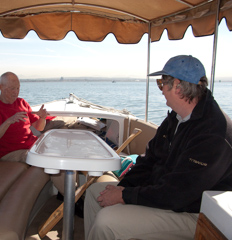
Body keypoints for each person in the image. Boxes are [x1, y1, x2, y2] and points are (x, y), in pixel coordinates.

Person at [84, 55, 232, 240]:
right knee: (94, 194)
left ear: (177, 86)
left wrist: (125, 197)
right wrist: (122, 188)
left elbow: (179, 193)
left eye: (162, 83)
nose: (161, 90)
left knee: (107, 221)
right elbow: (148, 161)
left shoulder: (213, 132)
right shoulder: (176, 118)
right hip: (164, 193)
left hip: (193, 213)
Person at [0, 71, 65, 194]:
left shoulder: (22, 102)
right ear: (1, 88)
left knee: (61, 150)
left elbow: (39, 127)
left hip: (32, 145)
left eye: (18, 88)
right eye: (12, 89)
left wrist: (42, 117)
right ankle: (72, 200)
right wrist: (8, 121)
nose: (16, 92)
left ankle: (68, 193)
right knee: (49, 159)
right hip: (11, 153)